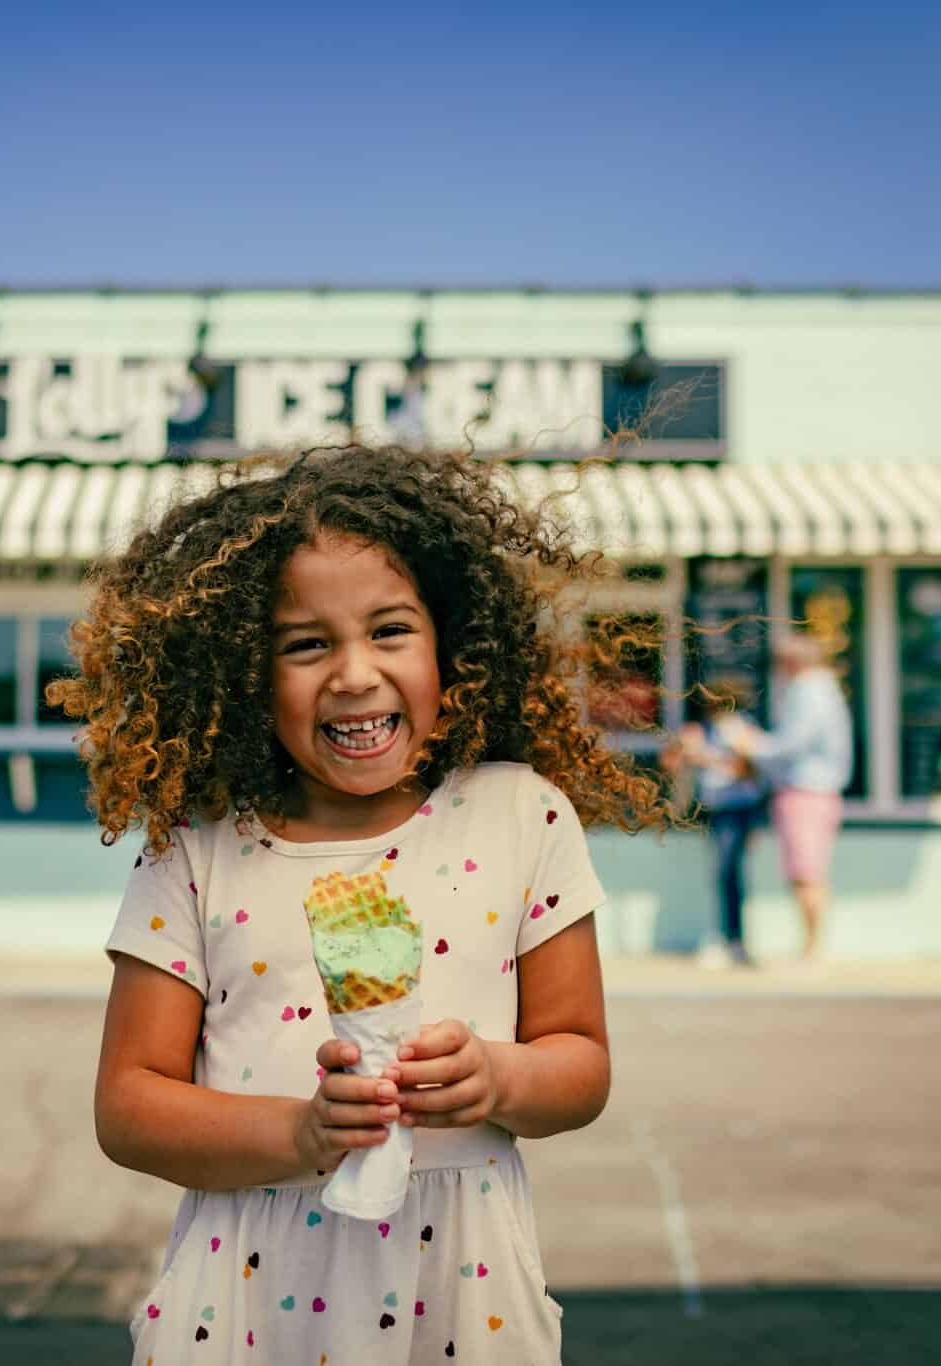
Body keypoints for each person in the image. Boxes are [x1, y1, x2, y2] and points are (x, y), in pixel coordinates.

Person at [52, 446, 668, 1364]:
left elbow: (580, 1063)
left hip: (461, 1297)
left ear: (451, 642)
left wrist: (498, 1079)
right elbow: (130, 1106)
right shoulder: (200, 845)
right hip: (246, 1298)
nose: (353, 673)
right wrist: (299, 1131)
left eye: (390, 630)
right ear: (240, 672)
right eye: (306, 643)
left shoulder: (520, 815)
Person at [721, 633, 853, 961]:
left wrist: (751, 744)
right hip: (812, 792)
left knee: (806, 871)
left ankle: (812, 949)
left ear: (793, 661)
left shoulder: (810, 692)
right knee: (805, 870)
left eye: (780, 662)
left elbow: (792, 745)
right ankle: (810, 946)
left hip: (807, 792)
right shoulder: (822, 690)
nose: (777, 669)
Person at [672, 686, 767, 968]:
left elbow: (749, 769)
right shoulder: (703, 730)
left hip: (737, 809)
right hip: (714, 809)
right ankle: (730, 938)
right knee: (723, 873)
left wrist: (706, 756)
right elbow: (674, 764)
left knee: (729, 872)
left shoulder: (741, 729)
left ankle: (734, 940)